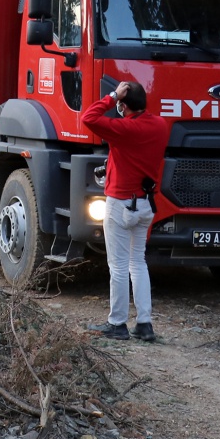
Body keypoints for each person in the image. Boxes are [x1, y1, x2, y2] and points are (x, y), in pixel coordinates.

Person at [81, 80, 172, 342]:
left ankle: (117, 323)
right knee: (138, 262)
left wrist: (111, 96)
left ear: (123, 105)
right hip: (146, 204)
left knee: (118, 266)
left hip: (120, 203)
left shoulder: (123, 129)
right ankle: (144, 323)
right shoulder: (160, 125)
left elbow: (89, 117)